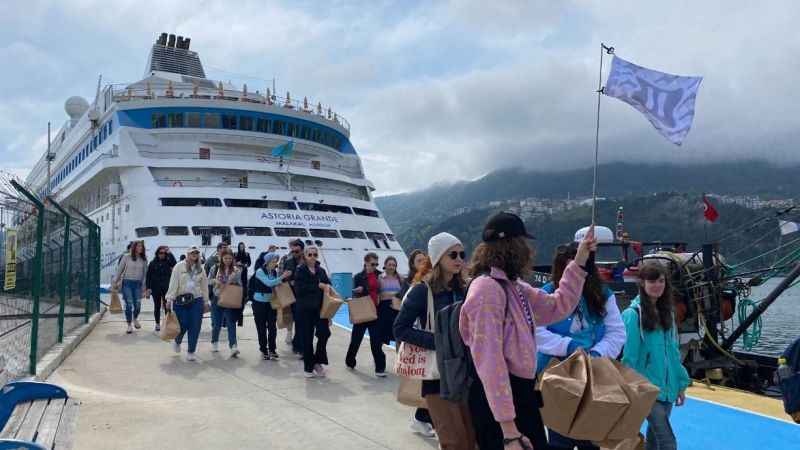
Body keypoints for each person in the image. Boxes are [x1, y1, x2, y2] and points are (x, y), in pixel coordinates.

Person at [460, 212, 595, 450]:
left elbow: (557, 305)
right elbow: (490, 362)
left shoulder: (513, 286)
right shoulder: (487, 290)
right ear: (511, 246)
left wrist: (579, 262)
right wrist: (509, 431)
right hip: (501, 403)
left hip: (519, 396)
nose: (528, 251)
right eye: (523, 243)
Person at [536, 241, 626, 450]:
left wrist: (596, 353)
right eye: (570, 268)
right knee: (559, 438)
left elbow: (617, 332)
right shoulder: (546, 294)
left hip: (594, 375)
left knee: (592, 438)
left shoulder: (603, 295)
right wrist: (568, 346)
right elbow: (537, 332)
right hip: (556, 373)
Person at [394, 232, 477, 450]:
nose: (459, 259)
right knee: (453, 441)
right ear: (439, 257)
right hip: (437, 376)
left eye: (462, 254)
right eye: (453, 254)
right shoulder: (422, 290)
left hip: (465, 371)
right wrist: (440, 341)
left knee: (471, 438)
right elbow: (400, 329)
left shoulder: (463, 289)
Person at [622, 262, 689, 450]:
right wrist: (630, 390)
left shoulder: (667, 314)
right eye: (652, 281)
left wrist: (681, 384)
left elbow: (673, 354)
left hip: (667, 388)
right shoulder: (633, 315)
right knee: (668, 442)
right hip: (646, 391)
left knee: (653, 441)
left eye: (661, 281)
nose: (658, 285)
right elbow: (629, 357)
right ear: (642, 283)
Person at [398, 249, 436, 438]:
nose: (422, 264)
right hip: (423, 343)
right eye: (419, 261)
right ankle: (421, 418)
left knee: (431, 386)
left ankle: (421, 418)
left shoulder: (435, 288)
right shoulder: (418, 287)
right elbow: (402, 323)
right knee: (429, 385)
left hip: (426, 343)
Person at [293, 246, 332, 378]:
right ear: (305, 256)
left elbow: (328, 286)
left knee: (325, 333)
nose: (313, 257)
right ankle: (309, 366)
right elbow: (299, 289)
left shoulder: (321, 271)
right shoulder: (300, 270)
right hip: (304, 309)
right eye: (310, 255)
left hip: (320, 308)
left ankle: (318, 360)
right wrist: (317, 285)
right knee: (307, 338)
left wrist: (326, 287)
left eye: (315, 254)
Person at [346, 252, 387, 376]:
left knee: (376, 341)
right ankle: (350, 361)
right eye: (372, 264)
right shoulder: (358, 277)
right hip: (363, 311)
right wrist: (361, 291)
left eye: (376, 264)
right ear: (365, 262)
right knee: (355, 340)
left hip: (375, 311)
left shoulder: (380, 275)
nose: (374, 266)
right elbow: (354, 294)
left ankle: (380, 368)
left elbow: (388, 289)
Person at [165, 246, 209, 361]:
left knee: (195, 326)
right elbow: (173, 283)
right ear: (187, 254)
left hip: (196, 300)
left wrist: (205, 301)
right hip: (181, 300)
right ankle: (177, 341)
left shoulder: (201, 269)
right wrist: (169, 299)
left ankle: (191, 351)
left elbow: (204, 286)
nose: (194, 255)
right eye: (192, 253)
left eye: (196, 253)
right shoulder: (178, 267)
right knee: (182, 324)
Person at [252, 253, 292, 360]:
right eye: (274, 261)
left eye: (276, 261)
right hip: (259, 303)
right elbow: (268, 283)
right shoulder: (260, 271)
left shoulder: (273, 272)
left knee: (272, 327)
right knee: (261, 327)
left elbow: (274, 284)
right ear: (268, 261)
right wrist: (282, 276)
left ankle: (272, 349)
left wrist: (282, 281)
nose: (276, 263)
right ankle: (263, 349)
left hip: (271, 303)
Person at [209, 249, 243, 357]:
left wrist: (231, 278)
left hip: (230, 298)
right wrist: (215, 281)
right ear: (221, 258)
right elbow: (208, 280)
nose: (228, 260)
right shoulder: (215, 268)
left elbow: (239, 285)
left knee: (231, 323)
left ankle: (233, 346)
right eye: (225, 258)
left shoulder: (236, 270)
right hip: (217, 298)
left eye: (230, 258)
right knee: (217, 324)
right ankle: (214, 342)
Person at [113, 240, 149, 334]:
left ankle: (135, 318)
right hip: (127, 283)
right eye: (138, 246)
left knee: (137, 305)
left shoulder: (144, 259)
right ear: (134, 247)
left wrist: (144, 287)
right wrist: (114, 282)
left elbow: (145, 274)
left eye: (141, 247)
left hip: (138, 284)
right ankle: (129, 325)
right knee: (129, 304)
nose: (140, 248)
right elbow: (119, 270)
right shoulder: (126, 257)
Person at [280, 239, 306, 353]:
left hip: (305, 296)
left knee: (301, 321)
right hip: (292, 295)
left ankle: (298, 344)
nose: (294, 253)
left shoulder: (308, 260)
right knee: (295, 318)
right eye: (293, 251)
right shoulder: (288, 261)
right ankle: (297, 343)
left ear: (302, 250)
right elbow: (282, 277)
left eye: (297, 251)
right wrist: (288, 280)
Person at [146, 245, 176, 332]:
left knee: (167, 307)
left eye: (164, 253)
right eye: (160, 253)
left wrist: (169, 253)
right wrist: (148, 288)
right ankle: (157, 324)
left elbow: (175, 263)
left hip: (166, 288)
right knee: (157, 306)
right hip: (155, 288)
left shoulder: (168, 262)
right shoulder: (152, 263)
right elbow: (148, 276)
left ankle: (167, 323)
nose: (162, 255)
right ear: (157, 253)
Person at [379, 256, 405, 346]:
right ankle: (380, 358)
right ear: (385, 265)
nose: (391, 267)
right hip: (384, 310)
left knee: (397, 335)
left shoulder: (400, 278)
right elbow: (378, 294)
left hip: (396, 310)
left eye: (393, 265)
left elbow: (403, 293)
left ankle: (399, 357)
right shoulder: (380, 278)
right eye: (389, 264)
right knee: (382, 336)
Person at [234, 242, 252, 327]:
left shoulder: (247, 254)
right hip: (237, 275)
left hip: (244, 276)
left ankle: (240, 321)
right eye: (240, 246)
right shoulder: (236, 254)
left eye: (242, 246)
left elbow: (249, 263)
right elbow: (233, 263)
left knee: (242, 299)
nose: (241, 247)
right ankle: (234, 318)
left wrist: (245, 265)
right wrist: (237, 264)